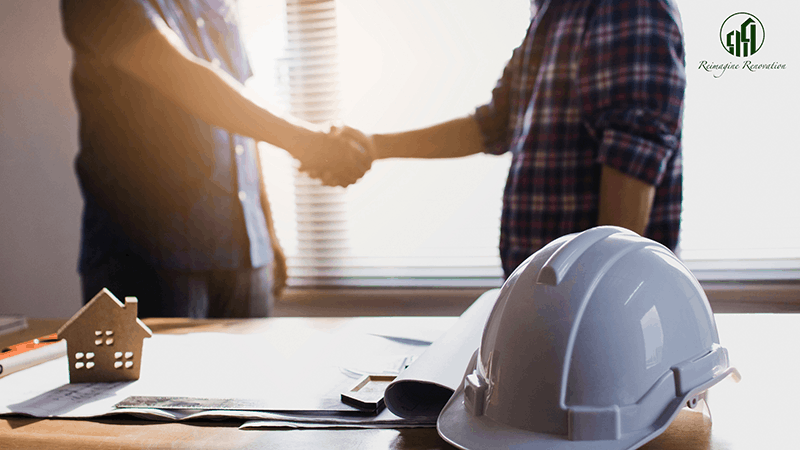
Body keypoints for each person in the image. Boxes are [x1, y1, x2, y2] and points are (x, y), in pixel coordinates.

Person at [61, 0, 370, 318]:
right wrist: (309, 142)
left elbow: (240, 119)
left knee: (249, 369)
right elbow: (184, 77)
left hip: (244, 254)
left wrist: (266, 229)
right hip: (147, 256)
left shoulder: (215, 4)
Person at [337, 0, 686, 276]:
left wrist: (600, 300)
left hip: (589, 310)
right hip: (548, 301)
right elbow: (492, 125)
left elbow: (633, 155)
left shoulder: (626, 6)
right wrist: (373, 145)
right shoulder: (551, 15)